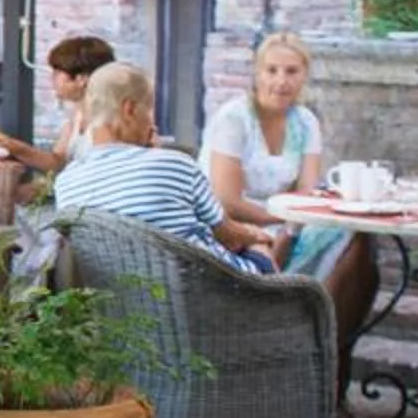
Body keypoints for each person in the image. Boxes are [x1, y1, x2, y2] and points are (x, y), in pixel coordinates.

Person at [203, 30, 377, 386]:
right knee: (342, 241)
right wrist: (285, 217)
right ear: (257, 73)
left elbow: (307, 191)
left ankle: (326, 349)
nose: (281, 81)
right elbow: (226, 200)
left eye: (291, 72)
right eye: (272, 70)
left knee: (359, 237)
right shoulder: (234, 119)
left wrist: (293, 219)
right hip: (230, 228)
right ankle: (315, 352)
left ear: (304, 76)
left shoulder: (305, 122)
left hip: (286, 220)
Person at [55, 63, 278, 270]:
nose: (152, 124)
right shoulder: (174, 164)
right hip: (213, 288)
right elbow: (228, 236)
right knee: (262, 251)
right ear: (129, 109)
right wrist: (255, 236)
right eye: (149, 110)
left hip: (124, 294)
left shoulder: (66, 184)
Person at [0, 34, 116, 173]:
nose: (51, 79)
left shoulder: (109, 121)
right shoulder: (77, 115)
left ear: (81, 79)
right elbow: (58, 162)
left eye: (56, 73)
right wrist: (14, 147)